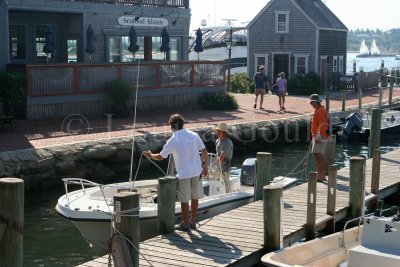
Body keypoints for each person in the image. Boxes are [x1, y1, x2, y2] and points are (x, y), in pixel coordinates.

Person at [143, 113, 209, 232]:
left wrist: (150, 155)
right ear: (183, 124)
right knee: (195, 197)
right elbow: (204, 151)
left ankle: (185, 224)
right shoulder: (194, 135)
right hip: (196, 170)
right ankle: (193, 221)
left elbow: (161, 157)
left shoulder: (172, 140)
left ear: (172, 127)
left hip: (184, 173)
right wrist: (206, 167)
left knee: (184, 199)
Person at [309, 94, 329, 182]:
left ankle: (320, 176)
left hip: (320, 137)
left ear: (317, 102)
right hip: (319, 136)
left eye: (312, 102)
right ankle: (322, 175)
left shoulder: (320, 111)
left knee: (318, 155)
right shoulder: (318, 109)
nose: (311, 104)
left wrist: (318, 137)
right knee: (319, 156)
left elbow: (323, 124)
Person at [214, 122, 233, 193]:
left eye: (219, 131)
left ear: (224, 132)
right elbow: (217, 155)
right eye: (217, 131)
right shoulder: (217, 141)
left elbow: (222, 156)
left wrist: (212, 165)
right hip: (218, 166)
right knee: (215, 180)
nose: (217, 132)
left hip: (226, 166)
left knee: (226, 182)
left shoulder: (228, 142)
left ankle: (228, 195)